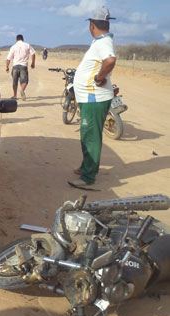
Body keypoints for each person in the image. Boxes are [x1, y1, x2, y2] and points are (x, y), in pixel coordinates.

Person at [69, 6, 117, 188]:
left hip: (94, 97)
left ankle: (88, 177)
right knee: (87, 133)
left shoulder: (104, 43)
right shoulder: (101, 41)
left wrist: (99, 78)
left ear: (92, 25)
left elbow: (110, 61)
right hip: (91, 98)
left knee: (91, 136)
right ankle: (85, 166)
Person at [5, 34, 35, 100]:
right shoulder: (27, 45)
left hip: (15, 66)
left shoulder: (13, 47)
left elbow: (8, 58)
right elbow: (33, 54)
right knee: (24, 81)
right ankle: (22, 90)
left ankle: (15, 95)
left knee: (14, 81)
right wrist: (33, 63)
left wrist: (7, 67)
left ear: (16, 40)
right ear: (23, 39)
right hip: (23, 66)